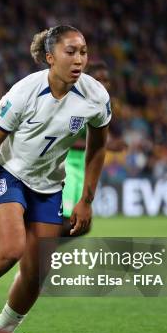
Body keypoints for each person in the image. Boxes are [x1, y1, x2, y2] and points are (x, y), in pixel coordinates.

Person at [0, 25, 111, 333]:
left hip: (48, 184)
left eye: (83, 52)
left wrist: (86, 199)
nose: (79, 60)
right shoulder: (23, 94)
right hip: (8, 173)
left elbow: (98, 146)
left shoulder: (96, 97)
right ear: (50, 57)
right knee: (10, 249)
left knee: (36, 274)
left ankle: (2, 330)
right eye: (70, 52)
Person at [61, 60, 112, 237]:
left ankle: (39, 257)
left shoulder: (101, 107)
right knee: (65, 221)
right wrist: (106, 145)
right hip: (67, 164)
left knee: (82, 224)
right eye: (99, 79)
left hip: (82, 167)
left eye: (106, 80)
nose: (103, 84)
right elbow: (64, 139)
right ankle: (34, 257)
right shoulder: (74, 103)